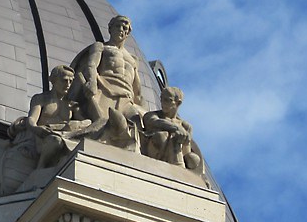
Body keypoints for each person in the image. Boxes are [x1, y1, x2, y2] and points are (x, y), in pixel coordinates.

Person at [71, 15, 145, 147]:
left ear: (128, 33)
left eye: (125, 28)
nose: (121, 30)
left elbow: (137, 90)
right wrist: (92, 82)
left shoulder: (133, 59)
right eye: (118, 26)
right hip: (105, 91)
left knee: (138, 122)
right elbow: (91, 65)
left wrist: (141, 106)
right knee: (103, 127)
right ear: (110, 29)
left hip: (126, 97)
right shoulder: (101, 47)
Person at [25, 65, 91, 168]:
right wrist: (37, 129)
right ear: (54, 80)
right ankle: (40, 167)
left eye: (71, 81)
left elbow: (89, 122)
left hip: (65, 135)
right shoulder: (41, 99)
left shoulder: (71, 105)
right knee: (56, 141)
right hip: (44, 138)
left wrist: (77, 124)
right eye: (65, 80)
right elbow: (31, 119)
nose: (68, 85)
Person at [143, 86, 201, 169]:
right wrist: (176, 128)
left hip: (178, 157)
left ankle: (179, 168)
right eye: (162, 99)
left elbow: (186, 151)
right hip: (155, 154)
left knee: (193, 158)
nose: (163, 103)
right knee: (163, 135)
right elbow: (155, 121)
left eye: (167, 100)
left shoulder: (186, 126)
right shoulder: (152, 115)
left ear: (178, 103)